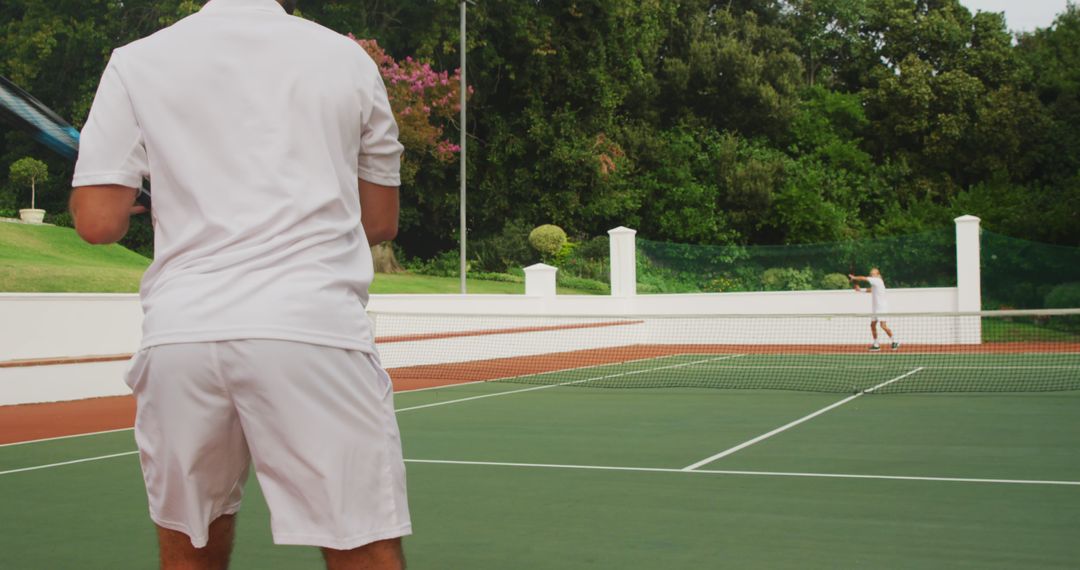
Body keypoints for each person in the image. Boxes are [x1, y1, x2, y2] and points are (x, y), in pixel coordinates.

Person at [68, 0, 410, 568]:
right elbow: (378, 222)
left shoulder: (135, 62)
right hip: (312, 331)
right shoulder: (347, 59)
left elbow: (97, 222)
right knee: (364, 545)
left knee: (191, 545)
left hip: (183, 336)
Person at [849, 268, 899, 352]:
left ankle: (895, 341)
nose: (872, 275)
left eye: (873, 273)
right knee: (872, 325)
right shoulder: (876, 283)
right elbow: (871, 290)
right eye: (871, 273)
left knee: (883, 326)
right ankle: (876, 345)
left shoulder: (877, 280)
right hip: (875, 308)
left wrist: (854, 278)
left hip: (881, 307)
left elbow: (863, 278)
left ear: (878, 274)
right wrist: (861, 290)